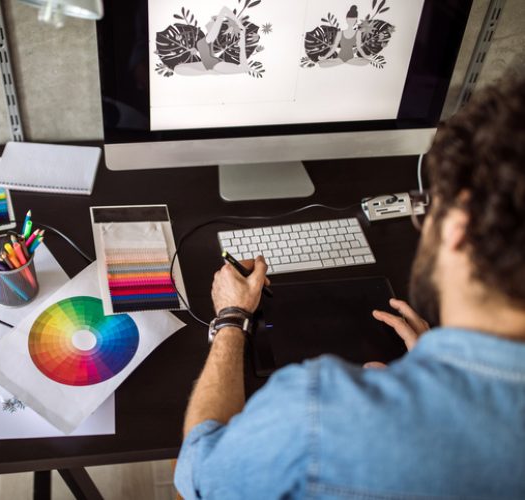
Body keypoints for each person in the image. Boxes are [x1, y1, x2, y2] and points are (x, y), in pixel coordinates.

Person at [174, 77, 525, 498]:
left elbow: (197, 474)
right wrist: (438, 366)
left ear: (457, 228)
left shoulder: (320, 414)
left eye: (428, 211)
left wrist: (231, 319)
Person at [174, 6, 249, 76]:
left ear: (215, 26)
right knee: (177, 68)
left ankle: (211, 72)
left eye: (212, 20)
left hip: (216, 65)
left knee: (243, 69)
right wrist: (195, 49)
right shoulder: (205, 39)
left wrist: (240, 25)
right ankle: (210, 72)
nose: (209, 21)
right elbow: (207, 52)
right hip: (207, 66)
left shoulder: (211, 36)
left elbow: (224, 9)